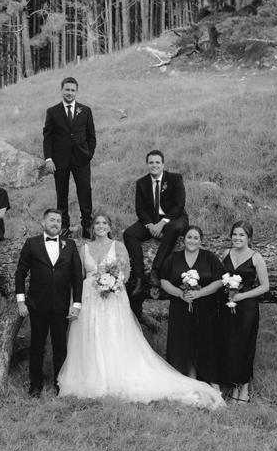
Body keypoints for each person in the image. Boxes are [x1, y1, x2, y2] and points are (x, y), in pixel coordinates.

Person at [58, 215, 224, 409]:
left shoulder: (118, 246)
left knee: (112, 335)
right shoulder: (84, 248)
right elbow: (78, 276)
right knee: (91, 335)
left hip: (113, 298)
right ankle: (92, 376)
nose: (101, 226)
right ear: (92, 227)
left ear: (110, 227)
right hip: (89, 298)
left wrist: (113, 282)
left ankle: (114, 376)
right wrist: (76, 302)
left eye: (104, 223)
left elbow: (126, 273)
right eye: (97, 223)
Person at [15, 208, 83, 397]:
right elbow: (20, 273)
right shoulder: (32, 243)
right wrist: (21, 301)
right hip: (37, 304)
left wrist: (77, 304)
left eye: (58, 221)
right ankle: (35, 385)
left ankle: (60, 384)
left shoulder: (70, 245)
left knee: (60, 346)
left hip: (62, 306)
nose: (55, 223)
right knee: (37, 345)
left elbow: (77, 277)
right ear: (43, 223)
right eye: (52, 220)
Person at [160, 226, 224, 389]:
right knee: (182, 344)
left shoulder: (209, 257)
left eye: (196, 238)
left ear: (201, 240)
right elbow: (164, 280)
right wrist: (179, 294)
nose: (192, 241)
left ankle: (211, 381)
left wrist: (200, 293)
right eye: (189, 237)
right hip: (180, 309)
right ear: (183, 239)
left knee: (205, 343)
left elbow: (219, 281)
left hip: (205, 309)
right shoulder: (174, 257)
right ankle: (188, 380)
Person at [123, 150, 188, 297]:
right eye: (151, 162)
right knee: (129, 234)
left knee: (173, 228)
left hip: (174, 218)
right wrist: (150, 225)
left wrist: (162, 223)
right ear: (147, 164)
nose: (154, 165)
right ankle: (139, 278)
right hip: (151, 220)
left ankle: (155, 270)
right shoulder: (142, 183)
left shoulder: (175, 178)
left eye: (157, 162)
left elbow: (179, 205)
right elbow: (140, 209)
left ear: (163, 164)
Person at [220, 221, 269, 403]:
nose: (237, 238)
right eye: (234, 234)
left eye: (241, 235)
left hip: (247, 307)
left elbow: (265, 286)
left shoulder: (256, 257)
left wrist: (242, 296)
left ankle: (245, 389)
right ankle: (233, 386)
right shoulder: (225, 253)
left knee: (245, 346)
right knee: (229, 345)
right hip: (227, 305)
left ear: (249, 237)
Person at [43, 77, 96, 239]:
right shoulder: (52, 111)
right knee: (62, 194)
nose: (69, 93)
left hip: (81, 159)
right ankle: (64, 227)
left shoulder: (85, 110)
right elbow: (48, 137)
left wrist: (88, 154)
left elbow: (91, 135)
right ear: (62, 90)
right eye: (67, 89)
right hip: (60, 160)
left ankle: (87, 226)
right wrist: (49, 159)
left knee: (85, 191)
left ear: (76, 92)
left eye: (72, 90)